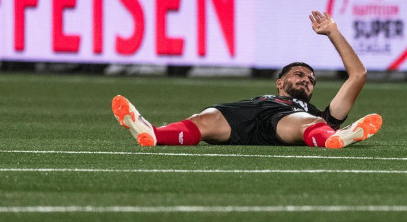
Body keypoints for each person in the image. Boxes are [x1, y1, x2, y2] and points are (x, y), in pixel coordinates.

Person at [112, 11, 382, 149]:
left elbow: (358, 75)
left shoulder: (314, 112)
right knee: (204, 119)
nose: (306, 81)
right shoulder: (263, 98)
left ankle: (332, 138)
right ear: (279, 82)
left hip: (283, 122)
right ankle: (153, 134)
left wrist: (333, 32)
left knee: (308, 122)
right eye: (299, 74)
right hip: (244, 113)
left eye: (311, 80)